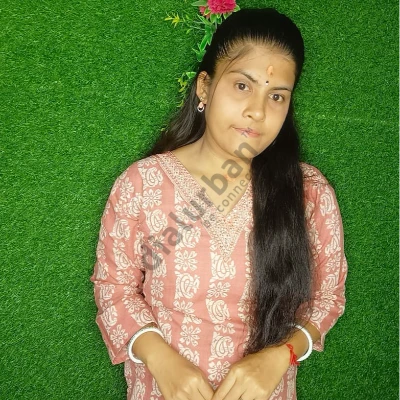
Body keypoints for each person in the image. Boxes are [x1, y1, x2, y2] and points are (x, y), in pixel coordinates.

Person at [91, 7, 347, 400]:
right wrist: (160, 358)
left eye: (276, 96)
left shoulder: (308, 192)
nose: (257, 111)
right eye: (242, 86)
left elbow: (328, 298)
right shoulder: (143, 183)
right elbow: (114, 286)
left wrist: (281, 355)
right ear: (205, 88)